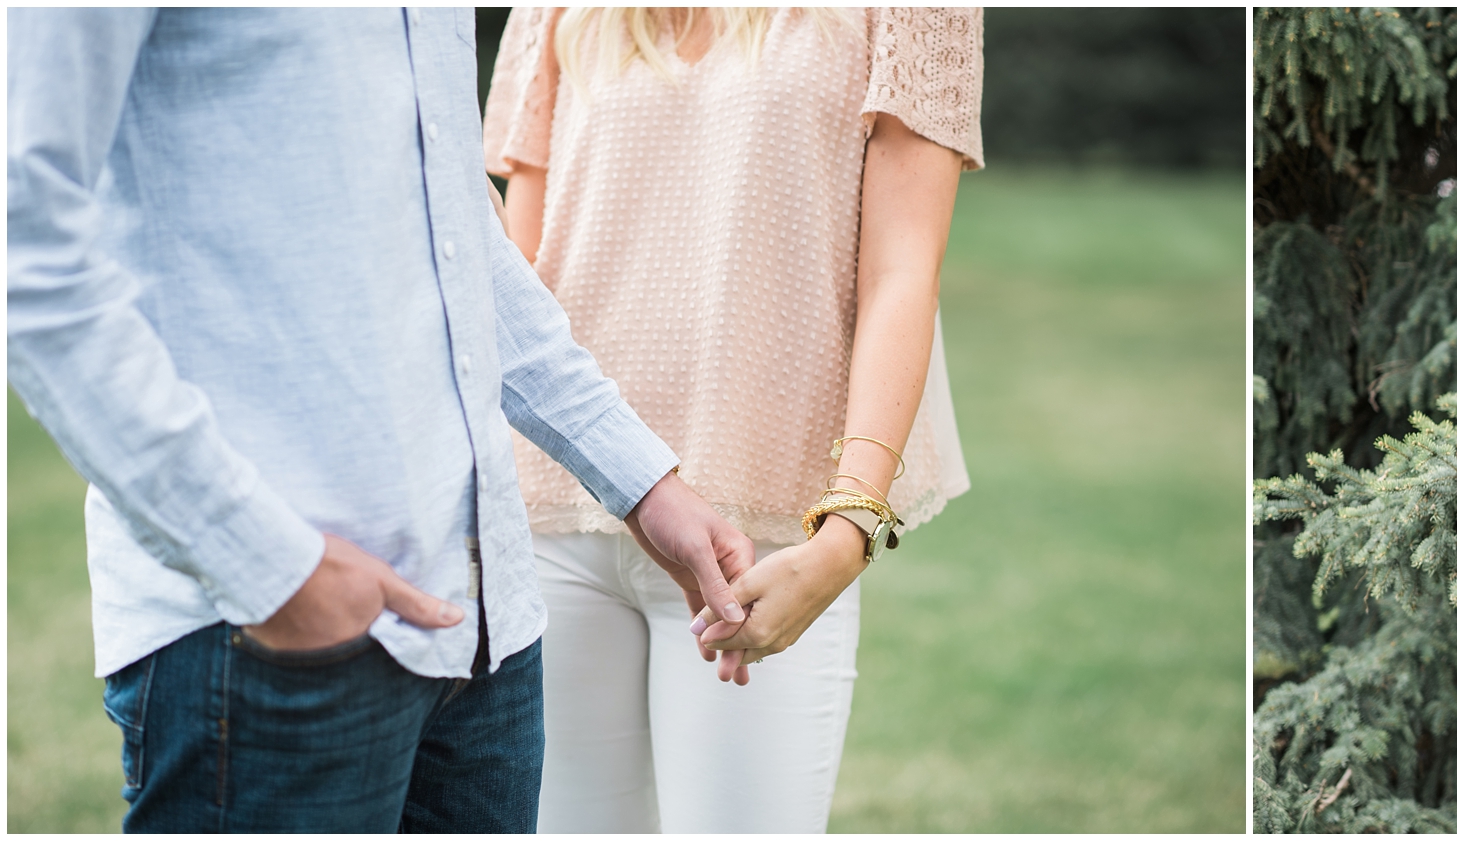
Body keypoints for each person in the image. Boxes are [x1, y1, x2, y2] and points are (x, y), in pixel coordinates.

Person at [7, 7, 756, 833]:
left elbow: (457, 238)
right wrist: (269, 567)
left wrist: (642, 480)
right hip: (263, 640)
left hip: (489, 634)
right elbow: (27, 246)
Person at [483, 7, 977, 832]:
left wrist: (845, 533)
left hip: (767, 537)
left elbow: (902, 271)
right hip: (553, 512)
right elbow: (519, 273)